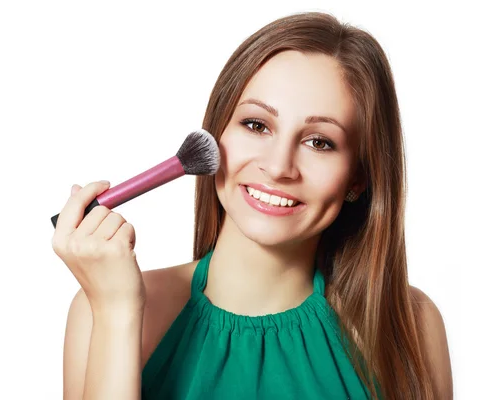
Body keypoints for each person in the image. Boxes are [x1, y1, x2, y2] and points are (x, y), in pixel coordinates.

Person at [52, 11, 453, 400]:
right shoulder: (102, 307)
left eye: (320, 142)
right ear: (216, 132)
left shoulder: (410, 325)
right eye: (257, 125)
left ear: (358, 178)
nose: (278, 167)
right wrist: (118, 312)